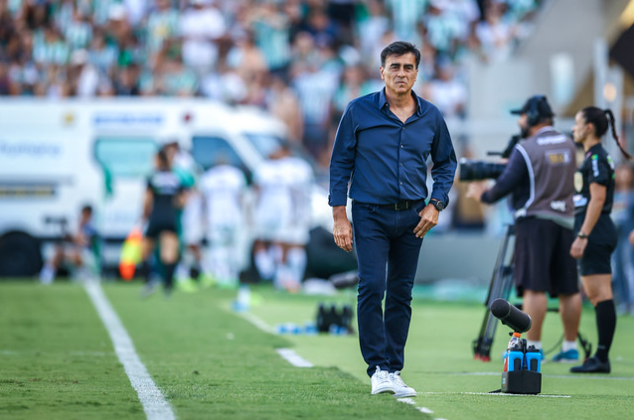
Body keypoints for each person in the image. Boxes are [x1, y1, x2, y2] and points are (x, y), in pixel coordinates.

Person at [329, 41, 457, 397]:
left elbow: (446, 163)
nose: (402, 73)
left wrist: (436, 203)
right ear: (381, 71)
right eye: (395, 67)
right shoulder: (358, 111)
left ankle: (393, 369)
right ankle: (378, 369)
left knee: (401, 293)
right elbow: (340, 163)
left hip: (414, 217)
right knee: (372, 286)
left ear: (417, 72)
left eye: (408, 67)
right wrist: (340, 216)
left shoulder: (431, 115)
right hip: (369, 213)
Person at [467, 95, 582, 363]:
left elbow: (503, 186)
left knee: (534, 287)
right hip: (566, 220)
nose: (519, 120)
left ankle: (534, 347)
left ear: (530, 117)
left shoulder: (526, 148)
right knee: (568, 288)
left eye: (522, 115)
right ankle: (570, 347)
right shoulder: (568, 143)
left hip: (534, 223)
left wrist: (481, 194)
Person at [569, 106, 632, 373]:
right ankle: (600, 356)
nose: (574, 128)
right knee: (598, 294)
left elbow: (597, 199)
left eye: (577, 122)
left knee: (599, 294)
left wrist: (583, 235)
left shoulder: (595, 158)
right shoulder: (595, 157)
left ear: (589, 128)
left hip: (594, 231)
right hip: (595, 230)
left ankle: (602, 357)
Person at [140, 149, 185, 298]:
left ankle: (149, 281)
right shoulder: (175, 177)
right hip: (170, 216)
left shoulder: (153, 177)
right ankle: (168, 286)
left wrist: (144, 215)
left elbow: (147, 200)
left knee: (146, 250)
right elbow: (181, 200)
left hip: (156, 216)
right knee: (169, 252)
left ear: (159, 160)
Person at [199, 158, 247, 288]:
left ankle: (221, 274)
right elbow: (241, 198)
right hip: (232, 216)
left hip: (215, 217)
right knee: (230, 247)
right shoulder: (236, 175)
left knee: (218, 247)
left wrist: (203, 217)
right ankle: (230, 275)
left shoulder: (209, 176)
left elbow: (204, 200)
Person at [39, 204, 98, 284]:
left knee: (76, 255)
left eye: (87, 214)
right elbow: (70, 239)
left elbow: (84, 243)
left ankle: (86, 275)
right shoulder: (75, 225)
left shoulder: (91, 227)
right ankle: (46, 277)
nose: (84, 216)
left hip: (87, 255)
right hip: (76, 252)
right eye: (84, 213)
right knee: (58, 251)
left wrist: (74, 238)